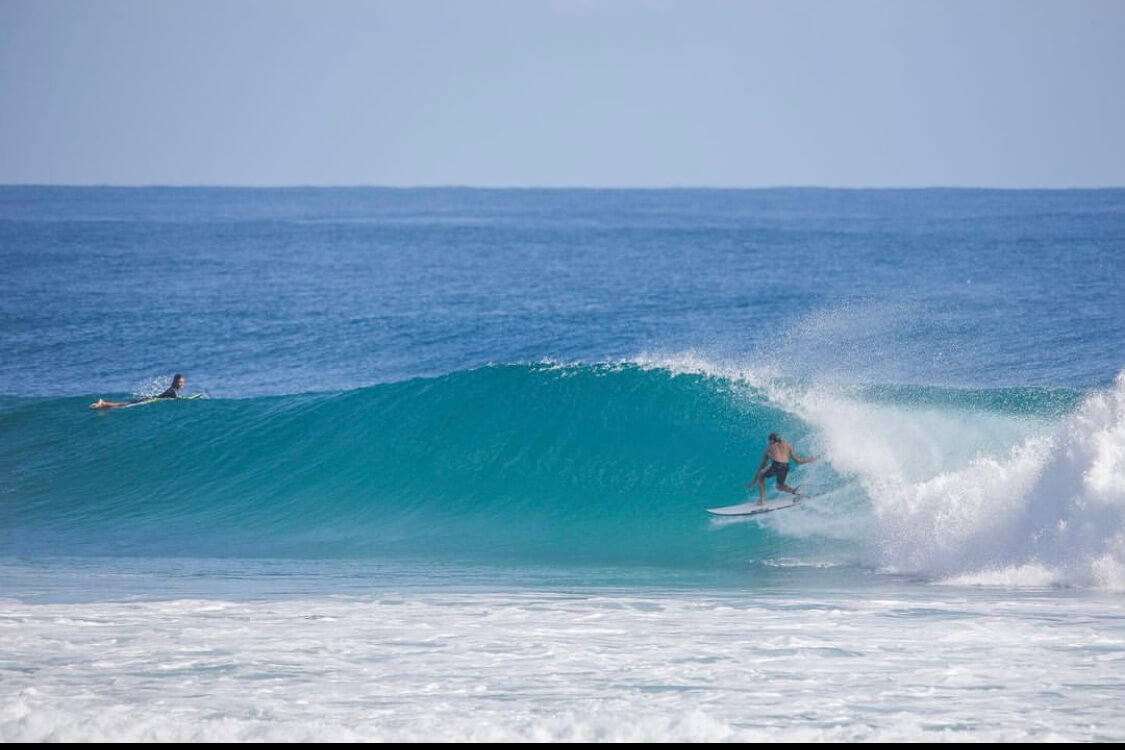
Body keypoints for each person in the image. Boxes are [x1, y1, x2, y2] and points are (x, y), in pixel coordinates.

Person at [746, 432, 817, 505]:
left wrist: (754, 482)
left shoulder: (769, 448)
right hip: (785, 466)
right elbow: (798, 461)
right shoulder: (788, 445)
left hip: (777, 465)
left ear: (772, 441)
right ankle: (795, 491)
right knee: (779, 486)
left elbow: (761, 467)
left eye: (769, 441)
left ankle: (761, 501)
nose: (768, 443)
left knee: (761, 475)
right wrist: (810, 460)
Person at [89, 374, 185, 410]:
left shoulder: (172, 389)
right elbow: (177, 399)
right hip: (149, 400)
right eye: (180, 382)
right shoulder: (173, 391)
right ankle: (103, 403)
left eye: (183, 382)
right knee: (123, 405)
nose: (182, 384)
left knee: (124, 404)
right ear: (176, 382)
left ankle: (104, 404)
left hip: (149, 399)